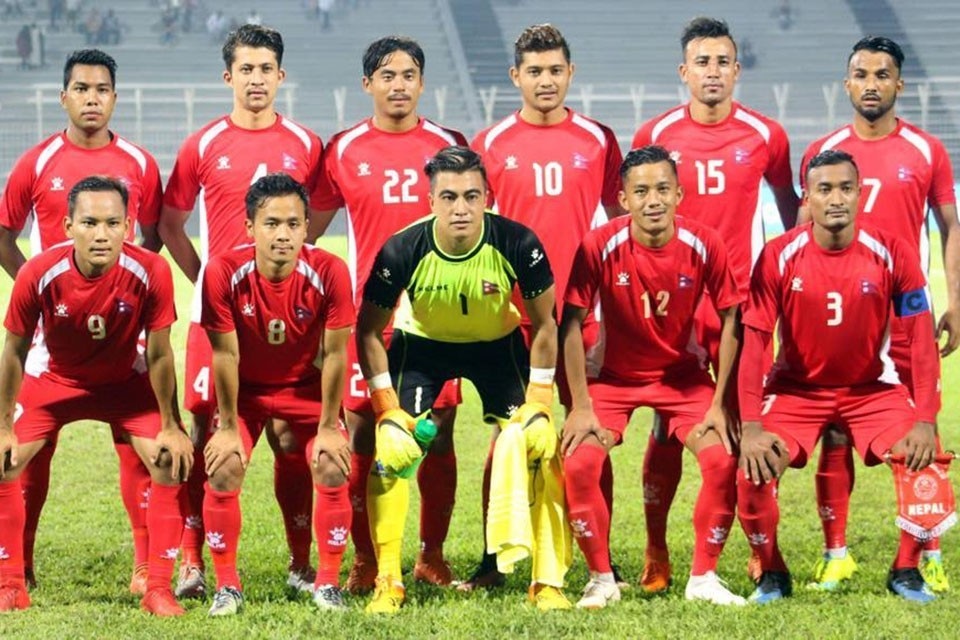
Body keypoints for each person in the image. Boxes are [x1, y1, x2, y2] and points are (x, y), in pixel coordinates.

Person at [356, 146, 565, 613]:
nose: (461, 208)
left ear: (487, 197)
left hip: (497, 347)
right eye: (448, 197)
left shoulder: (518, 242)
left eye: (472, 196)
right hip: (422, 347)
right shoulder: (402, 249)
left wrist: (540, 398)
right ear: (430, 201)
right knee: (392, 449)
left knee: (539, 443)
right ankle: (388, 580)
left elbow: (545, 323)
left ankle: (546, 581)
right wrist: (386, 407)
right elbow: (368, 330)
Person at [631, 16, 799, 591]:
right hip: (674, 306)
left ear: (736, 70)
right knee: (667, 424)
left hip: (742, 305)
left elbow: (790, 212)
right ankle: (656, 550)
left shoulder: (766, 135)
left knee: (749, 424)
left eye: (723, 62)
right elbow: (637, 213)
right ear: (684, 71)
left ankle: (760, 547)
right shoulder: (656, 132)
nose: (713, 72)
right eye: (702, 62)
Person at [159, 24, 325, 599]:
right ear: (228, 76)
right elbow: (170, 225)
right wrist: (212, 288)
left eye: (266, 69)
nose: (257, 79)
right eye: (246, 69)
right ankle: (192, 562)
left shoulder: (306, 144)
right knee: (205, 434)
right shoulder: (202, 144)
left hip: (285, 321)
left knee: (289, 438)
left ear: (281, 76)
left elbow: (313, 217)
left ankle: (300, 563)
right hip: (217, 323)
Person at [738, 149, 941, 604]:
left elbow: (921, 339)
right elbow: (754, 344)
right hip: (796, 390)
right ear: (807, 197)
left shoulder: (893, 251)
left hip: (872, 390)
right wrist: (750, 425)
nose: (836, 199)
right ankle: (772, 572)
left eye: (846, 188)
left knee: (926, 463)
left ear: (860, 193)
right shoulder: (778, 255)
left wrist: (926, 418)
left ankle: (906, 570)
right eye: (825, 189)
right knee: (753, 469)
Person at [799, 36, 959, 594]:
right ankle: (836, 554)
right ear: (847, 83)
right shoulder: (823, 150)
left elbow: (950, 227)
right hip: (840, 316)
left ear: (899, 84)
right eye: (862, 74)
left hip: (905, 315)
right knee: (835, 429)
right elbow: (802, 233)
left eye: (882, 74)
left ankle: (927, 553)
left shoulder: (925, 150)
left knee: (922, 428)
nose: (871, 84)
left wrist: (956, 299)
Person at [0, 48, 164, 594]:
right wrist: (42, 293)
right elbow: (4, 235)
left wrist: (126, 295)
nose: (92, 99)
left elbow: (151, 238)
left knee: (136, 444)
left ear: (114, 97)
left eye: (101, 89)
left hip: (122, 332)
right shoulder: (37, 162)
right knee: (29, 449)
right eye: (81, 89)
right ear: (64, 96)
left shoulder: (140, 163)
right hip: (53, 338)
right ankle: (19, 564)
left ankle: (146, 566)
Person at [310, 35, 468, 592]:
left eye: (407, 75)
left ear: (422, 83)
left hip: (436, 317)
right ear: (367, 84)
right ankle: (366, 559)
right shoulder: (343, 149)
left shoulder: (449, 146)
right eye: (386, 75)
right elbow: (309, 232)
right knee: (362, 436)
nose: (398, 85)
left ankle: (431, 555)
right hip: (369, 320)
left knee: (438, 434)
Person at [469, 22, 623, 590]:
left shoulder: (598, 139)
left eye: (555, 69)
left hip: (582, 314)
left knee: (589, 435)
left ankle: (599, 555)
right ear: (516, 76)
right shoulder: (490, 143)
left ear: (570, 73)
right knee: (506, 437)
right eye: (534, 71)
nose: (546, 80)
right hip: (513, 319)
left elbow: (620, 223)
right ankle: (494, 558)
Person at [560, 146, 744, 608]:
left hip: (683, 378)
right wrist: (580, 406)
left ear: (679, 193)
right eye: (641, 191)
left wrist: (720, 403)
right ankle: (601, 579)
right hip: (613, 379)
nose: (653, 200)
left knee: (722, 459)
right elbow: (570, 324)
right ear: (623, 199)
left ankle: (703, 578)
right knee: (579, 463)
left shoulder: (706, 243)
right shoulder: (599, 245)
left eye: (663, 189)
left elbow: (731, 320)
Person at [0, 176, 193, 615]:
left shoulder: (152, 270)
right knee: (3, 458)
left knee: (170, 459)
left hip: (125, 383)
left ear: (128, 226)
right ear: (68, 226)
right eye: (89, 223)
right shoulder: (38, 272)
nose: (101, 234)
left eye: (112, 223)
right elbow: (13, 351)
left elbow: (159, 354)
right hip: (55, 382)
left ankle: (157, 588)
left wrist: (171, 425)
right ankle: (10, 583)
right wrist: (4, 426)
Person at [198, 173, 354, 615]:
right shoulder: (223, 271)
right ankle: (227, 586)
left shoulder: (330, 271)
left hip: (305, 389)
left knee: (332, 462)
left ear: (306, 227)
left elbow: (336, 354)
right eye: (271, 223)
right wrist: (228, 427)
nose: (283, 234)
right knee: (224, 465)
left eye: (293, 223)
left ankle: (326, 582)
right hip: (245, 392)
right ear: (250, 227)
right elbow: (225, 355)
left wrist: (329, 426)